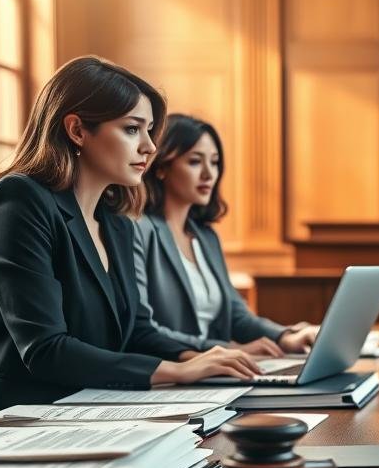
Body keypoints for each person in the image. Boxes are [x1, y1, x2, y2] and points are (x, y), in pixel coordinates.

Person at [0, 56, 260, 424]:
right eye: (133, 129)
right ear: (77, 130)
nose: (150, 147)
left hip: (93, 408)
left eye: (150, 130)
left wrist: (201, 358)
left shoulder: (117, 221)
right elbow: (46, 350)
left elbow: (137, 330)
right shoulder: (20, 200)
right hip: (18, 418)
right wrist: (177, 371)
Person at [134, 114, 318, 355]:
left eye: (215, 162)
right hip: (176, 371)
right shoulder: (140, 229)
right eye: (195, 162)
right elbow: (143, 330)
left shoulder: (206, 236)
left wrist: (285, 337)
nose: (209, 174)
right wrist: (226, 349)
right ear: (161, 168)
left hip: (217, 371)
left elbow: (235, 315)